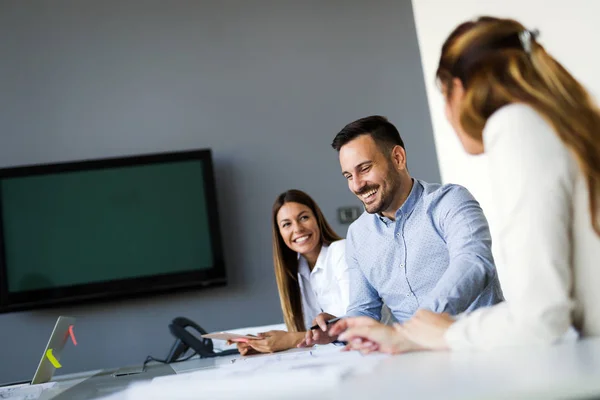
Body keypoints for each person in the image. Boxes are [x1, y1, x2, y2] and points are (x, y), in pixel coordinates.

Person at [336, 16, 600, 353]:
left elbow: (541, 315)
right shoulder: (565, 126)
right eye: (348, 175)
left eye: (443, 96)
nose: (447, 114)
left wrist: (434, 334)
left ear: (456, 89)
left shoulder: (516, 126)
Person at [304, 114, 504, 346]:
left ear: (398, 158)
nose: (357, 185)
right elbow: (364, 308)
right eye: (349, 176)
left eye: (365, 168)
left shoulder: (450, 201)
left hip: (482, 346)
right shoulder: (358, 235)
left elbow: (474, 262)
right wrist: (342, 328)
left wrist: (413, 329)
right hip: (416, 360)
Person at [233, 189, 349, 355]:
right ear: (280, 234)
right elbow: (309, 333)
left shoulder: (341, 250)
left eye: (304, 218)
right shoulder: (296, 270)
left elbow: (359, 322)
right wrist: (264, 343)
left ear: (317, 219)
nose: (298, 229)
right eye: (287, 224)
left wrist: (290, 339)